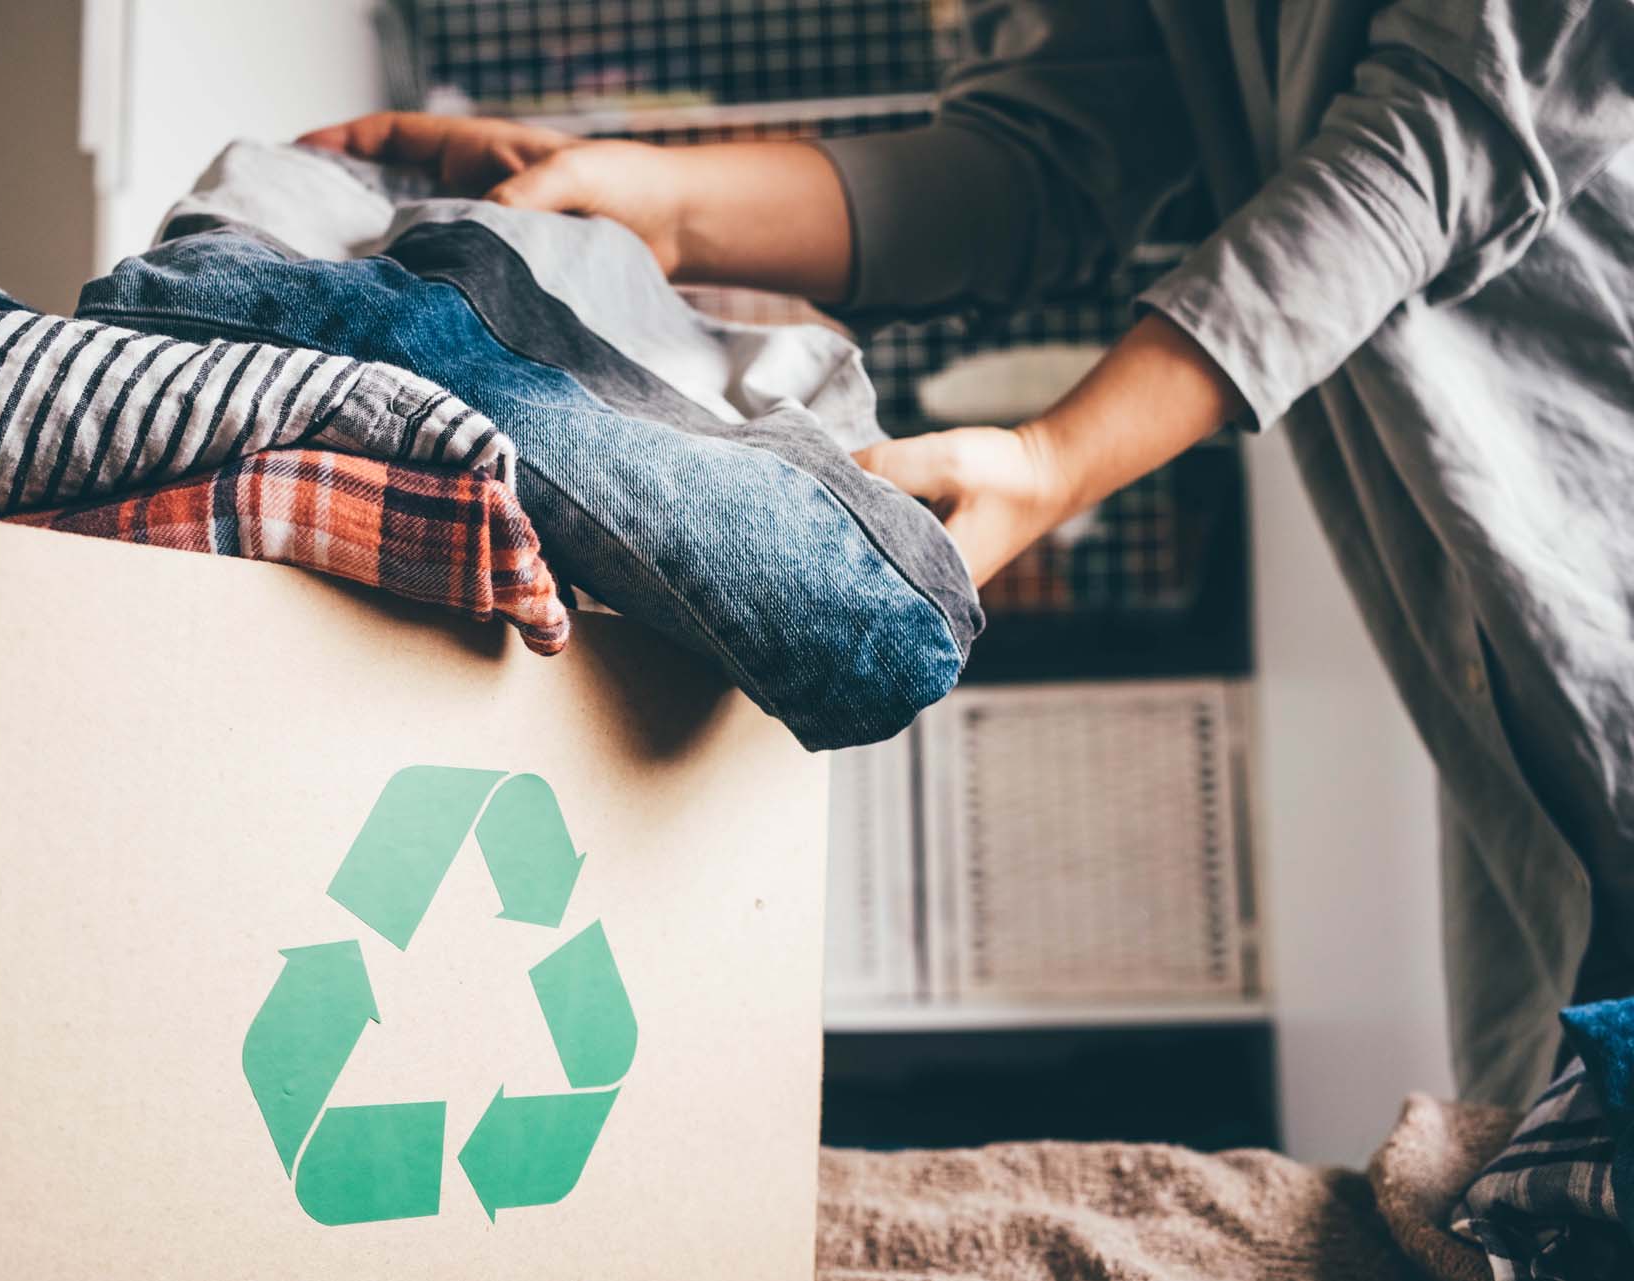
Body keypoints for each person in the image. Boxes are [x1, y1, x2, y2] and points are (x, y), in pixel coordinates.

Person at [305, 1, 1634, 1108]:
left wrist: (1059, 461)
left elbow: (1443, 139)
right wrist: (661, 203)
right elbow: (1046, 162)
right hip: (1499, 701)